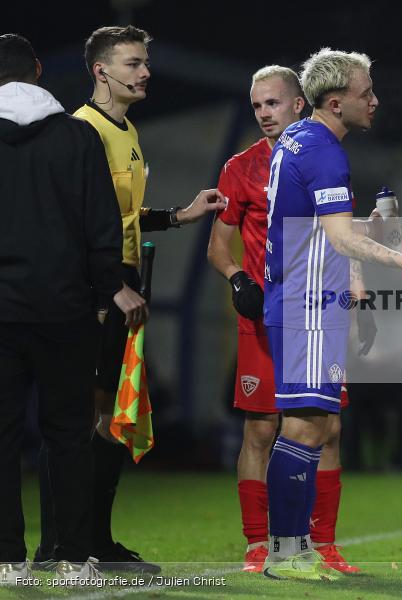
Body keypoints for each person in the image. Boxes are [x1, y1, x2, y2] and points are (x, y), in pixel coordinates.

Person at [34, 25, 226, 574]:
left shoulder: (128, 132)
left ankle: (94, 539)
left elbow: (114, 217)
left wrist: (176, 216)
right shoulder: (80, 131)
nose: (145, 72)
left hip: (120, 284)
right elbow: (71, 223)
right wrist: (105, 288)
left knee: (107, 416)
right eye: (133, 63)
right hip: (93, 289)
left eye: (145, 62)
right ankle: (58, 546)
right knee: (79, 416)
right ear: (101, 70)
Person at [261, 47, 402, 581]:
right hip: (308, 305)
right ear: (336, 102)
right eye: (367, 93)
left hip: (300, 299)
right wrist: (399, 259)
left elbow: (322, 230)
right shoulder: (323, 151)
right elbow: (337, 238)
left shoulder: (297, 140)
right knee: (304, 428)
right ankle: (286, 552)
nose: (375, 101)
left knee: (311, 425)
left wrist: (367, 232)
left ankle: (292, 548)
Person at [207, 65, 374, 574]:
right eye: (256, 105)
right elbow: (218, 247)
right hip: (268, 311)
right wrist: (238, 280)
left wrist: (358, 292)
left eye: (272, 103)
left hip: (313, 310)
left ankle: (321, 543)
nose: (263, 113)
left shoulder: (308, 153)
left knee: (328, 427)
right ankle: (262, 543)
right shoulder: (243, 168)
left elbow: (337, 237)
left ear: (300, 103)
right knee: (262, 429)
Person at [0, 33, 128, 584]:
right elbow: (101, 227)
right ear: (36, 70)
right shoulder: (78, 137)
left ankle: (6, 560)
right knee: (70, 437)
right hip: (67, 312)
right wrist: (103, 298)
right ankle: (75, 559)